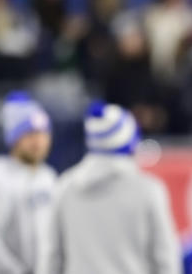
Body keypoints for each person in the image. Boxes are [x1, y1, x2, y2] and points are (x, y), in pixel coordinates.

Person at [37, 102, 182, 274]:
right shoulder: (148, 190)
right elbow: (165, 260)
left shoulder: (65, 187)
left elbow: (51, 258)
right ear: (130, 141)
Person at [0, 91, 56, 274]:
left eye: (42, 133)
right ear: (15, 138)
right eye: (30, 134)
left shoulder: (48, 177)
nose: (38, 141)